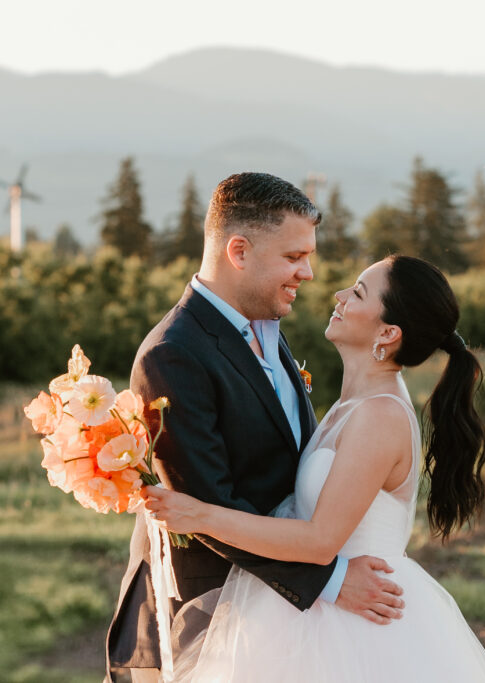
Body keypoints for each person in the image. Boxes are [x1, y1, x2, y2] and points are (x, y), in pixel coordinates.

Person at [143, 254, 485, 681]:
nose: (339, 295)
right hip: (311, 606)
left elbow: (319, 540)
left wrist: (200, 514)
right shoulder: (354, 403)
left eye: (357, 292)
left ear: (388, 333)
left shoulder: (379, 415)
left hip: (356, 624)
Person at [105, 173, 406, 683]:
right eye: (294, 257)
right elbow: (205, 506)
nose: (308, 273)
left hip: (282, 617)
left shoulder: (265, 327)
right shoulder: (174, 355)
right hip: (211, 613)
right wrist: (331, 580)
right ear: (238, 251)